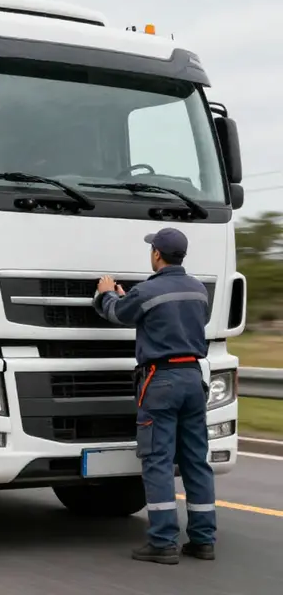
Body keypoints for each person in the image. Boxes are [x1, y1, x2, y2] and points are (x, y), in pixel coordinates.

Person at [93, 227, 216, 565]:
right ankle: (203, 541)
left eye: (152, 249)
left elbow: (118, 314)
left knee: (158, 461)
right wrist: (129, 296)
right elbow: (180, 318)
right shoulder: (199, 290)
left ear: (157, 255)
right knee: (195, 461)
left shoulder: (148, 290)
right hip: (193, 378)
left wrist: (107, 294)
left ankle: (163, 543)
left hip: (161, 380)